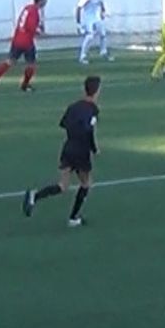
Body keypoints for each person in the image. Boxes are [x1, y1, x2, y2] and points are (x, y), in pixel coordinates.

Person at [23, 76, 101, 228]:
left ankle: (35, 196)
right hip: (81, 151)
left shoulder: (73, 107)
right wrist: (94, 148)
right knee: (86, 184)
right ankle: (73, 218)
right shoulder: (93, 109)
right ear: (96, 91)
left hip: (68, 147)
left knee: (63, 185)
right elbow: (89, 131)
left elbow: (64, 124)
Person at [0, 0, 47, 92]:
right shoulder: (34, 11)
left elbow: (23, 22)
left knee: (10, 61)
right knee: (31, 64)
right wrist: (39, 32)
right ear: (41, 0)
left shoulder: (28, 8)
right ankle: (25, 85)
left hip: (17, 38)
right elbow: (30, 27)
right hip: (27, 41)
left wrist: (37, 27)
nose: (46, 1)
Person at [77, 0, 112, 65]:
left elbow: (101, 3)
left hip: (96, 16)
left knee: (103, 34)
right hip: (88, 17)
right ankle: (82, 56)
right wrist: (78, 24)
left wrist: (103, 12)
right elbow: (79, 7)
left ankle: (103, 52)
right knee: (90, 36)